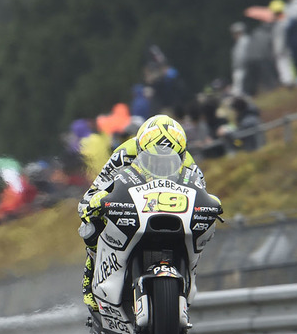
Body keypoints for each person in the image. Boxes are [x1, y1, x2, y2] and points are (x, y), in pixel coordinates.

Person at [77, 114, 218, 312]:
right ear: (142, 149)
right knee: (92, 227)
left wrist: (209, 207)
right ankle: (90, 279)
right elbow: (96, 189)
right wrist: (93, 203)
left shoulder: (188, 162)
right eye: (154, 158)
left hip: (170, 208)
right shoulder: (124, 154)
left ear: (181, 154)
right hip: (134, 205)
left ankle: (187, 277)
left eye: (169, 158)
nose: (161, 164)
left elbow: (200, 194)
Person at [269, 0, 294, 85]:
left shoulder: (281, 22)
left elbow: (279, 38)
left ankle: (288, 81)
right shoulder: (285, 20)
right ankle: (289, 80)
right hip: (285, 47)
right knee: (287, 64)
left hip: (282, 48)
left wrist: (277, 50)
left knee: (284, 64)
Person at [229, 22, 251, 95]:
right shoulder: (240, 41)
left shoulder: (244, 41)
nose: (233, 35)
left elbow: (241, 56)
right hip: (240, 68)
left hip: (242, 68)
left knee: (239, 90)